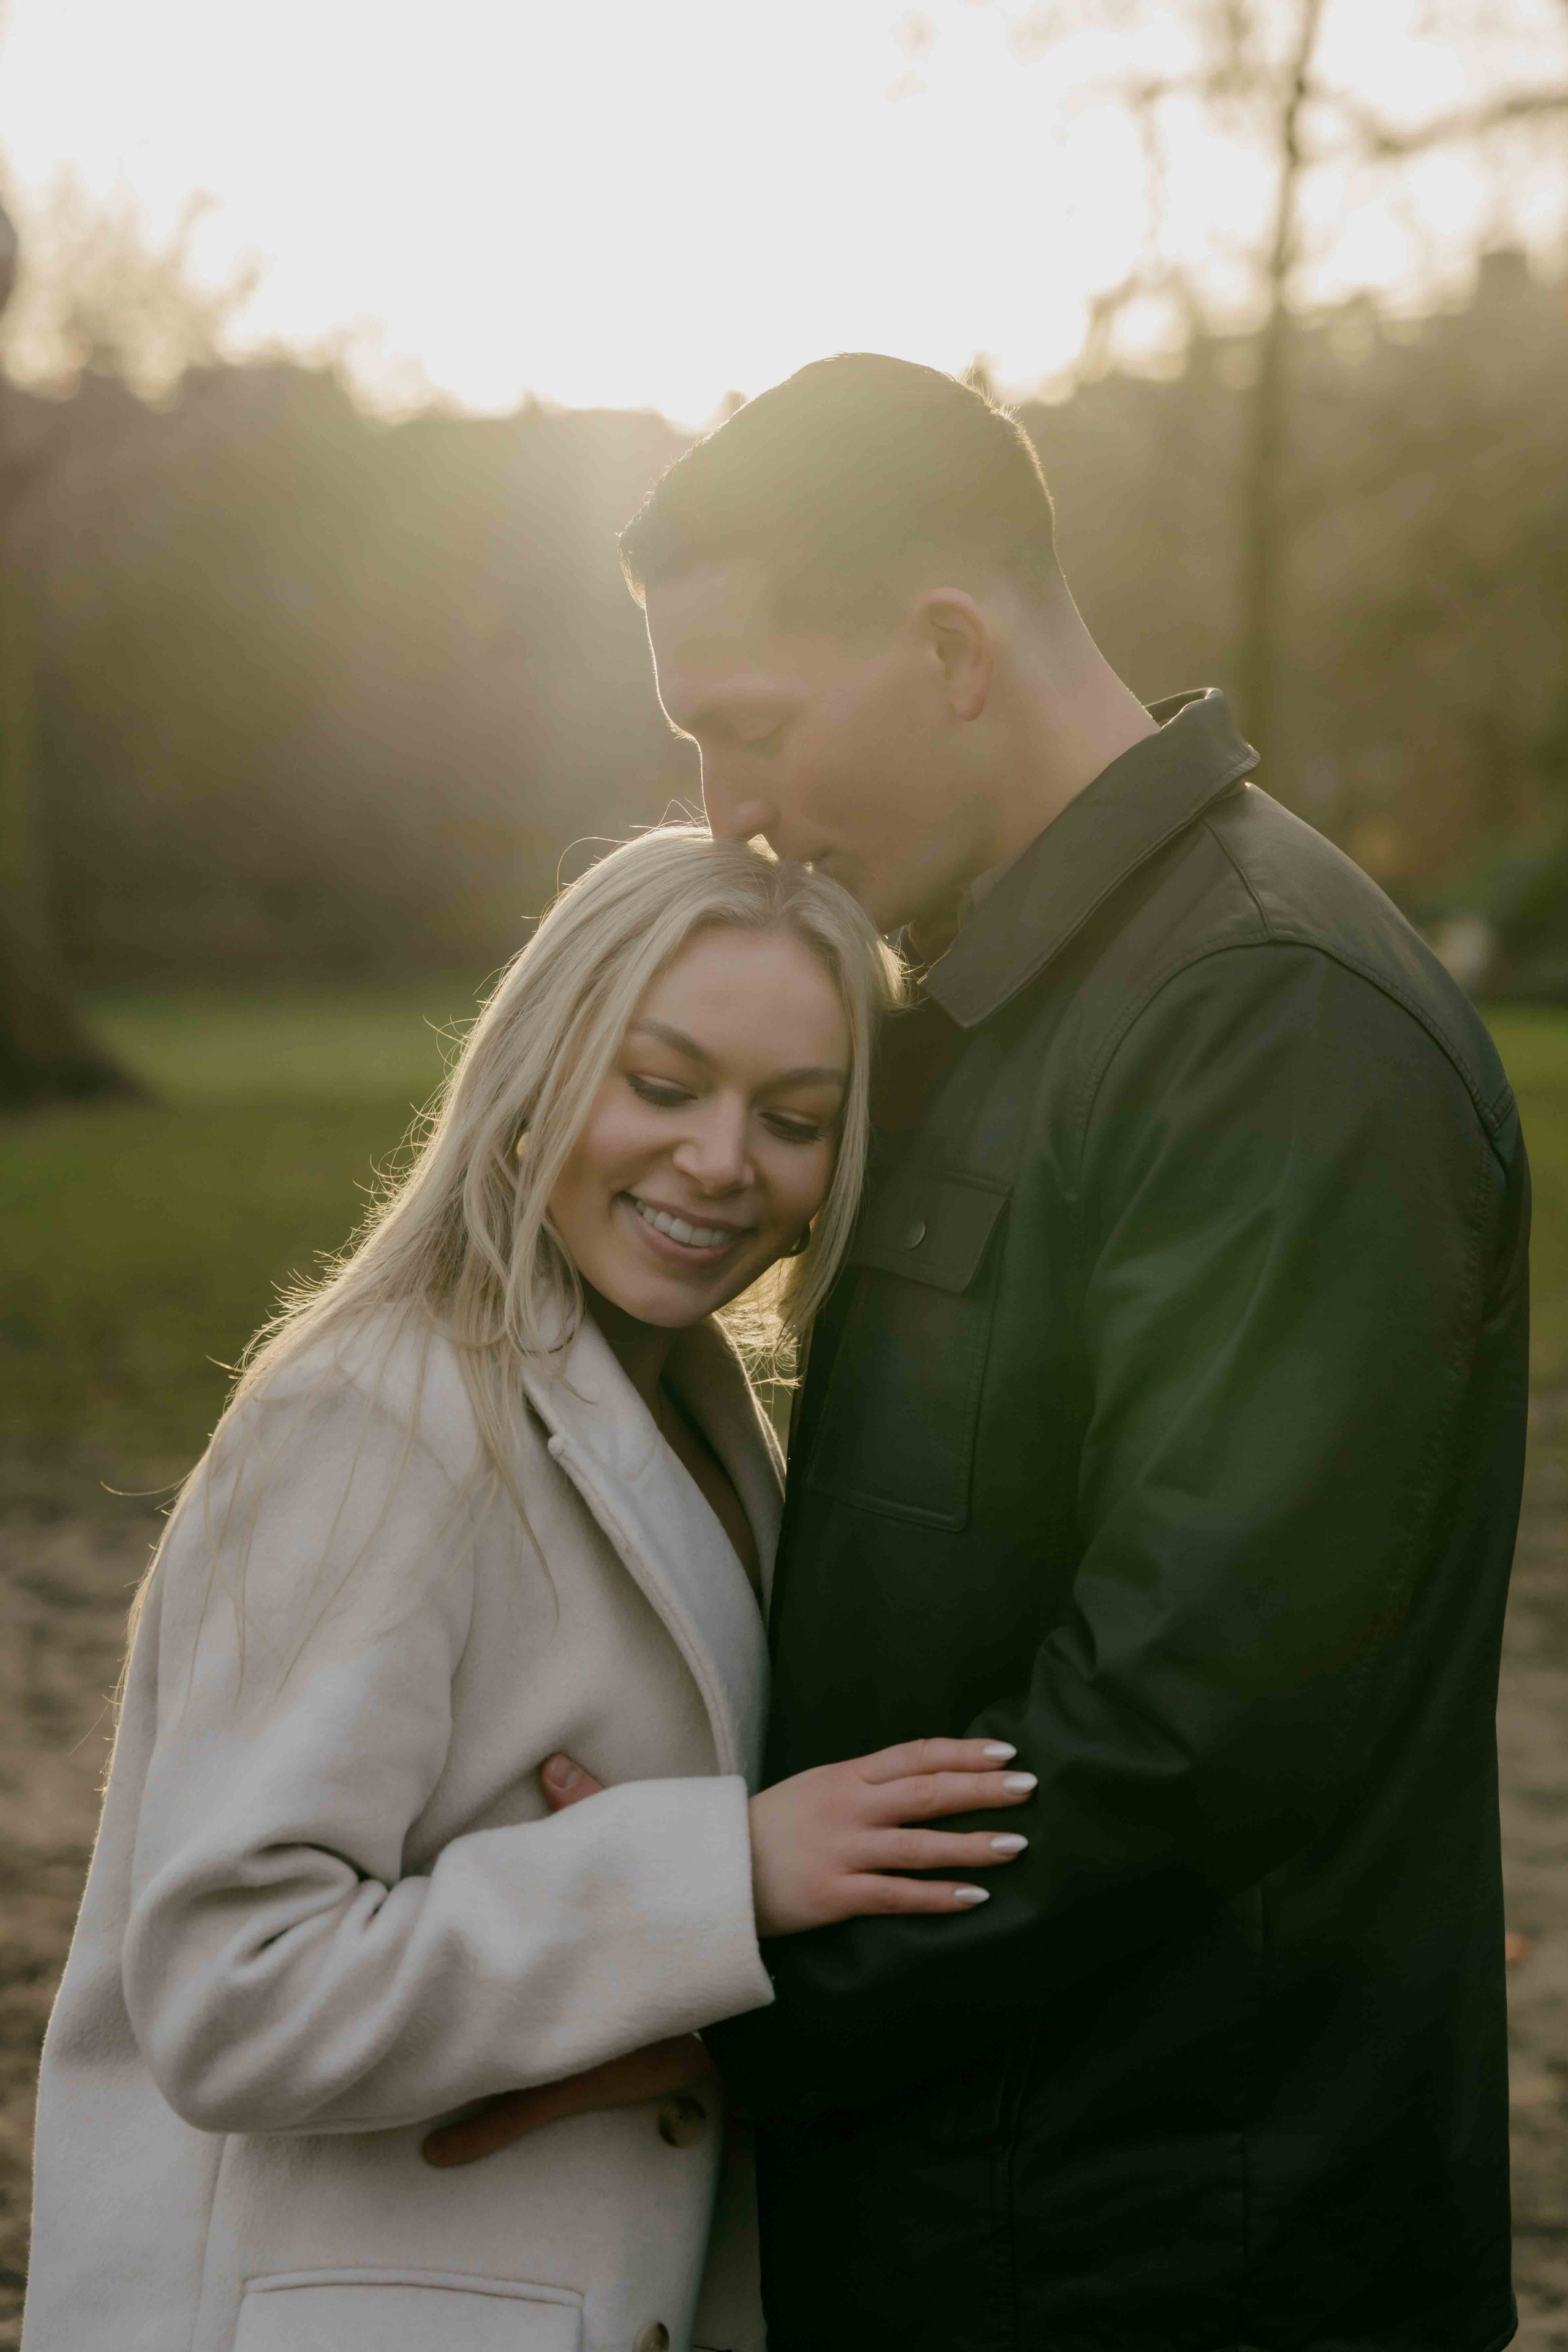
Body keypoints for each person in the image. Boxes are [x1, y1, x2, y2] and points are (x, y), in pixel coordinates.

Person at [464, 358, 1530, 2352]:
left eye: (750, 730)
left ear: (950, 648)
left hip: (1179, 2257)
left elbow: (1192, 1725)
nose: (732, 818)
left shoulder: (1269, 1025)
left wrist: (725, 1994)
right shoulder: (982, 1007)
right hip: (970, 2208)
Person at [21, 826, 1038, 2352]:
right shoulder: (378, 1420)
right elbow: (233, 1997)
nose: (719, 1160)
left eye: (794, 1116)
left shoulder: (704, 1411)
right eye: (662, 1083)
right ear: (541, 1064)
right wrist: (714, 1873)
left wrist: (692, 1953)